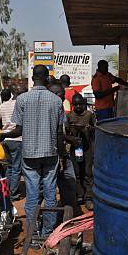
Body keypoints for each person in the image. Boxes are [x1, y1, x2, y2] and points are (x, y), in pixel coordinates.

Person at [1, 65, 65, 237]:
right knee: (50, 193)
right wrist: (63, 155)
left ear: (32, 77)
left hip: (29, 154)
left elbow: (19, 130)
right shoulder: (56, 101)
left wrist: (2, 135)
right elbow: (59, 133)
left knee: (32, 194)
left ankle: (33, 232)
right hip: (51, 153)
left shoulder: (22, 100)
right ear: (46, 78)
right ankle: (47, 232)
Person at [48, 83, 82, 216]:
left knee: (67, 182)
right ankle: (66, 214)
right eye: (61, 96)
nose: (63, 99)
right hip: (56, 153)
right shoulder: (54, 109)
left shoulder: (59, 107)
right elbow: (57, 134)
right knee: (67, 180)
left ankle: (67, 211)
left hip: (59, 151)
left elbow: (61, 133)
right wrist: (62, 155)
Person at [0, 88, 23, 200]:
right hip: (17, 139)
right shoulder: (20, 105)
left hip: (4, 139)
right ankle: (13, 193)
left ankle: (6, 191)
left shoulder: (3, 105)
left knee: (10, 167)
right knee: (16, 168)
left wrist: (4, 127)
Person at [67, 93, 96, 208]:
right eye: (76, 105)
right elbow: (66, 132)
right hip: (75, 148)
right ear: (73, 105)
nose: (78, 107)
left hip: (87, 147)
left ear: (84, 104)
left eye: (81, 104)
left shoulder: (89, 115)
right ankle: (79, 194)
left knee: (88, 172)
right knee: (77, 172)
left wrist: (89, 129)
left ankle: (89, 197)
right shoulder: (69, 116)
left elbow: (96, 128)